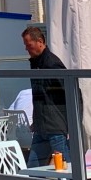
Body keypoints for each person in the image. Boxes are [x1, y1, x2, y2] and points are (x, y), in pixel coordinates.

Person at [22, 26, 69, 166]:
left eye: (28, 45)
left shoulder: (51, 64)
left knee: (65, 169)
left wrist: (72, 123)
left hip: (55, 126)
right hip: (42, 126)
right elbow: (40, 96)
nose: (26, 49)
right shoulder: (37, 64)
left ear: (40, 42)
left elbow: (71, 91)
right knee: (34, 168)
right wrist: (36, 120)